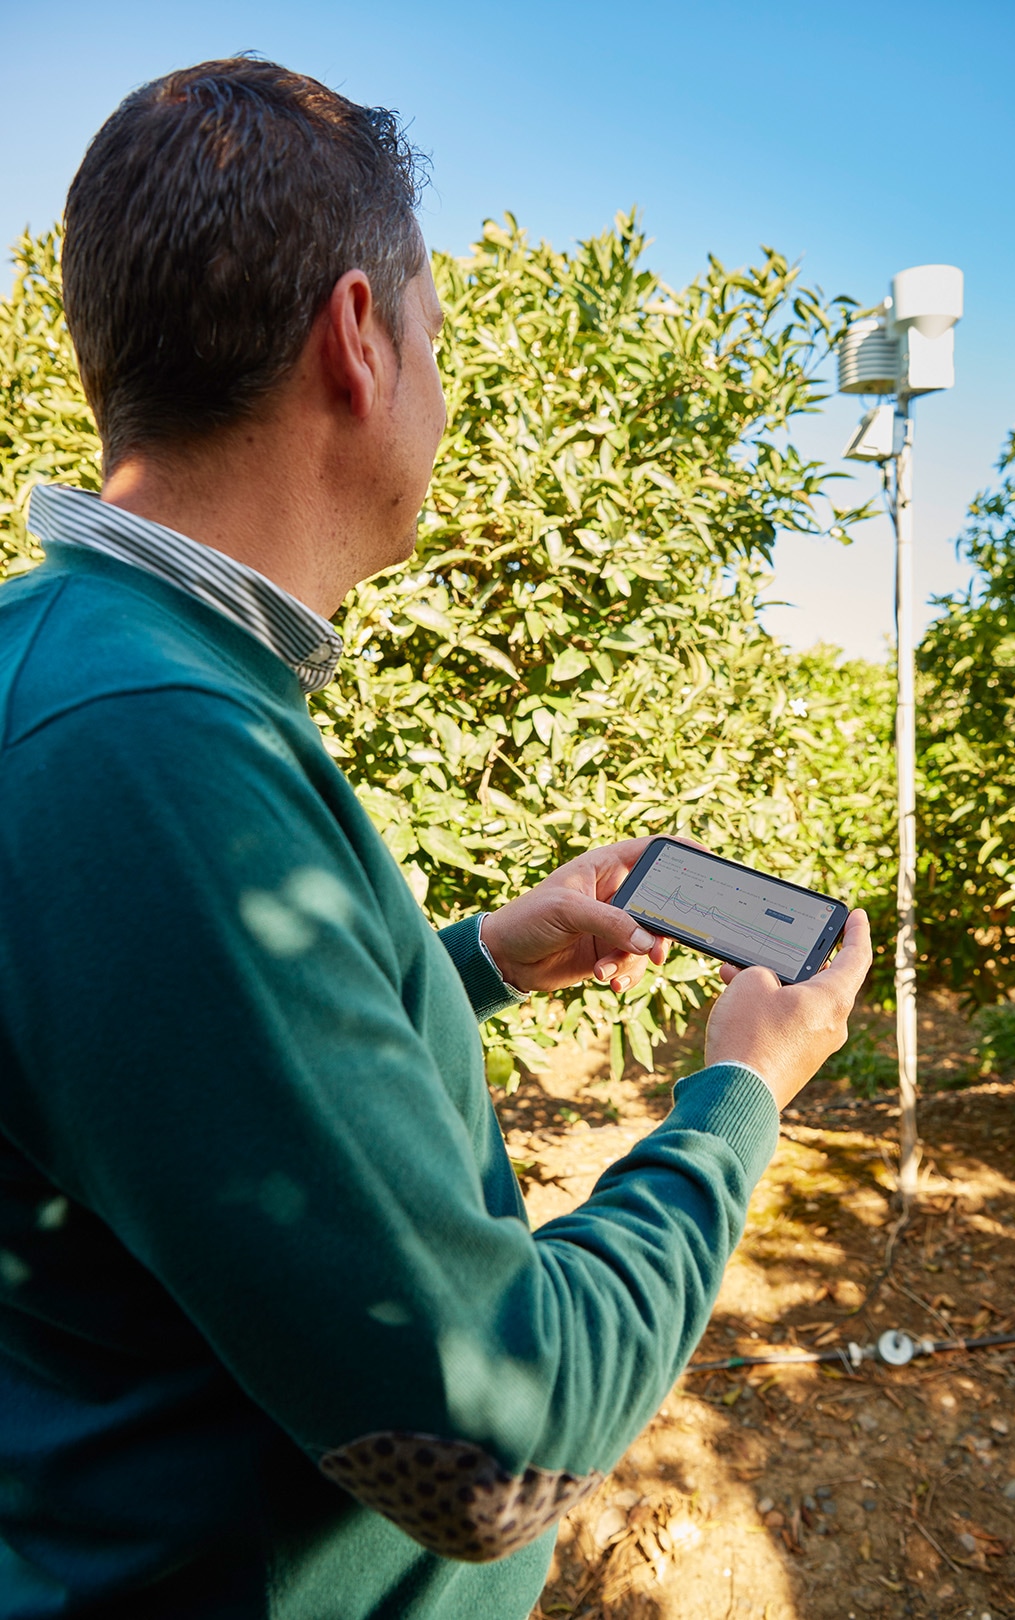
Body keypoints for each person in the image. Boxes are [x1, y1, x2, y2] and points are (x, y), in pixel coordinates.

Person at [0, 57, 872, 1620]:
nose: (445, 397)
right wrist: (742, 1093)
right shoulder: (151, 743)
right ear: (358, 340)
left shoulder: (90, 670)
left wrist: (470, 959)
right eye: (439, 339)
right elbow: (493, 1447)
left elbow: (154, 1063)